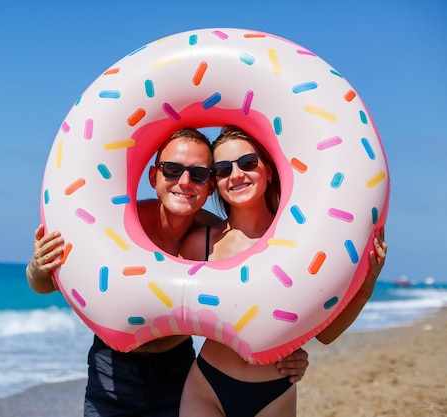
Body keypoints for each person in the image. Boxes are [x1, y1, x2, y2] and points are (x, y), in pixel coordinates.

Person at [27, 128, 310, 417]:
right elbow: (49, 283)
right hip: (113, 365)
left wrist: (287, 349)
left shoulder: (215, 237)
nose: (184, 182)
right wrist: (37, 267)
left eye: (199, 174)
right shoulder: (119, 228)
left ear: (210, 186)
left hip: (176, 366)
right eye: (172, 170)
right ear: (154, 177)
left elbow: (257, 299)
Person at [178, 125, 388, 417]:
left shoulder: (298, 243)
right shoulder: (201, 244)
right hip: (206, 386)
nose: (236, 174)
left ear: (268, 170)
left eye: (248, 163)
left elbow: (325, 335)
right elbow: (170, 311)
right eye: (223, 169)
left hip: (274, 392)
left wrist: (366, 288)